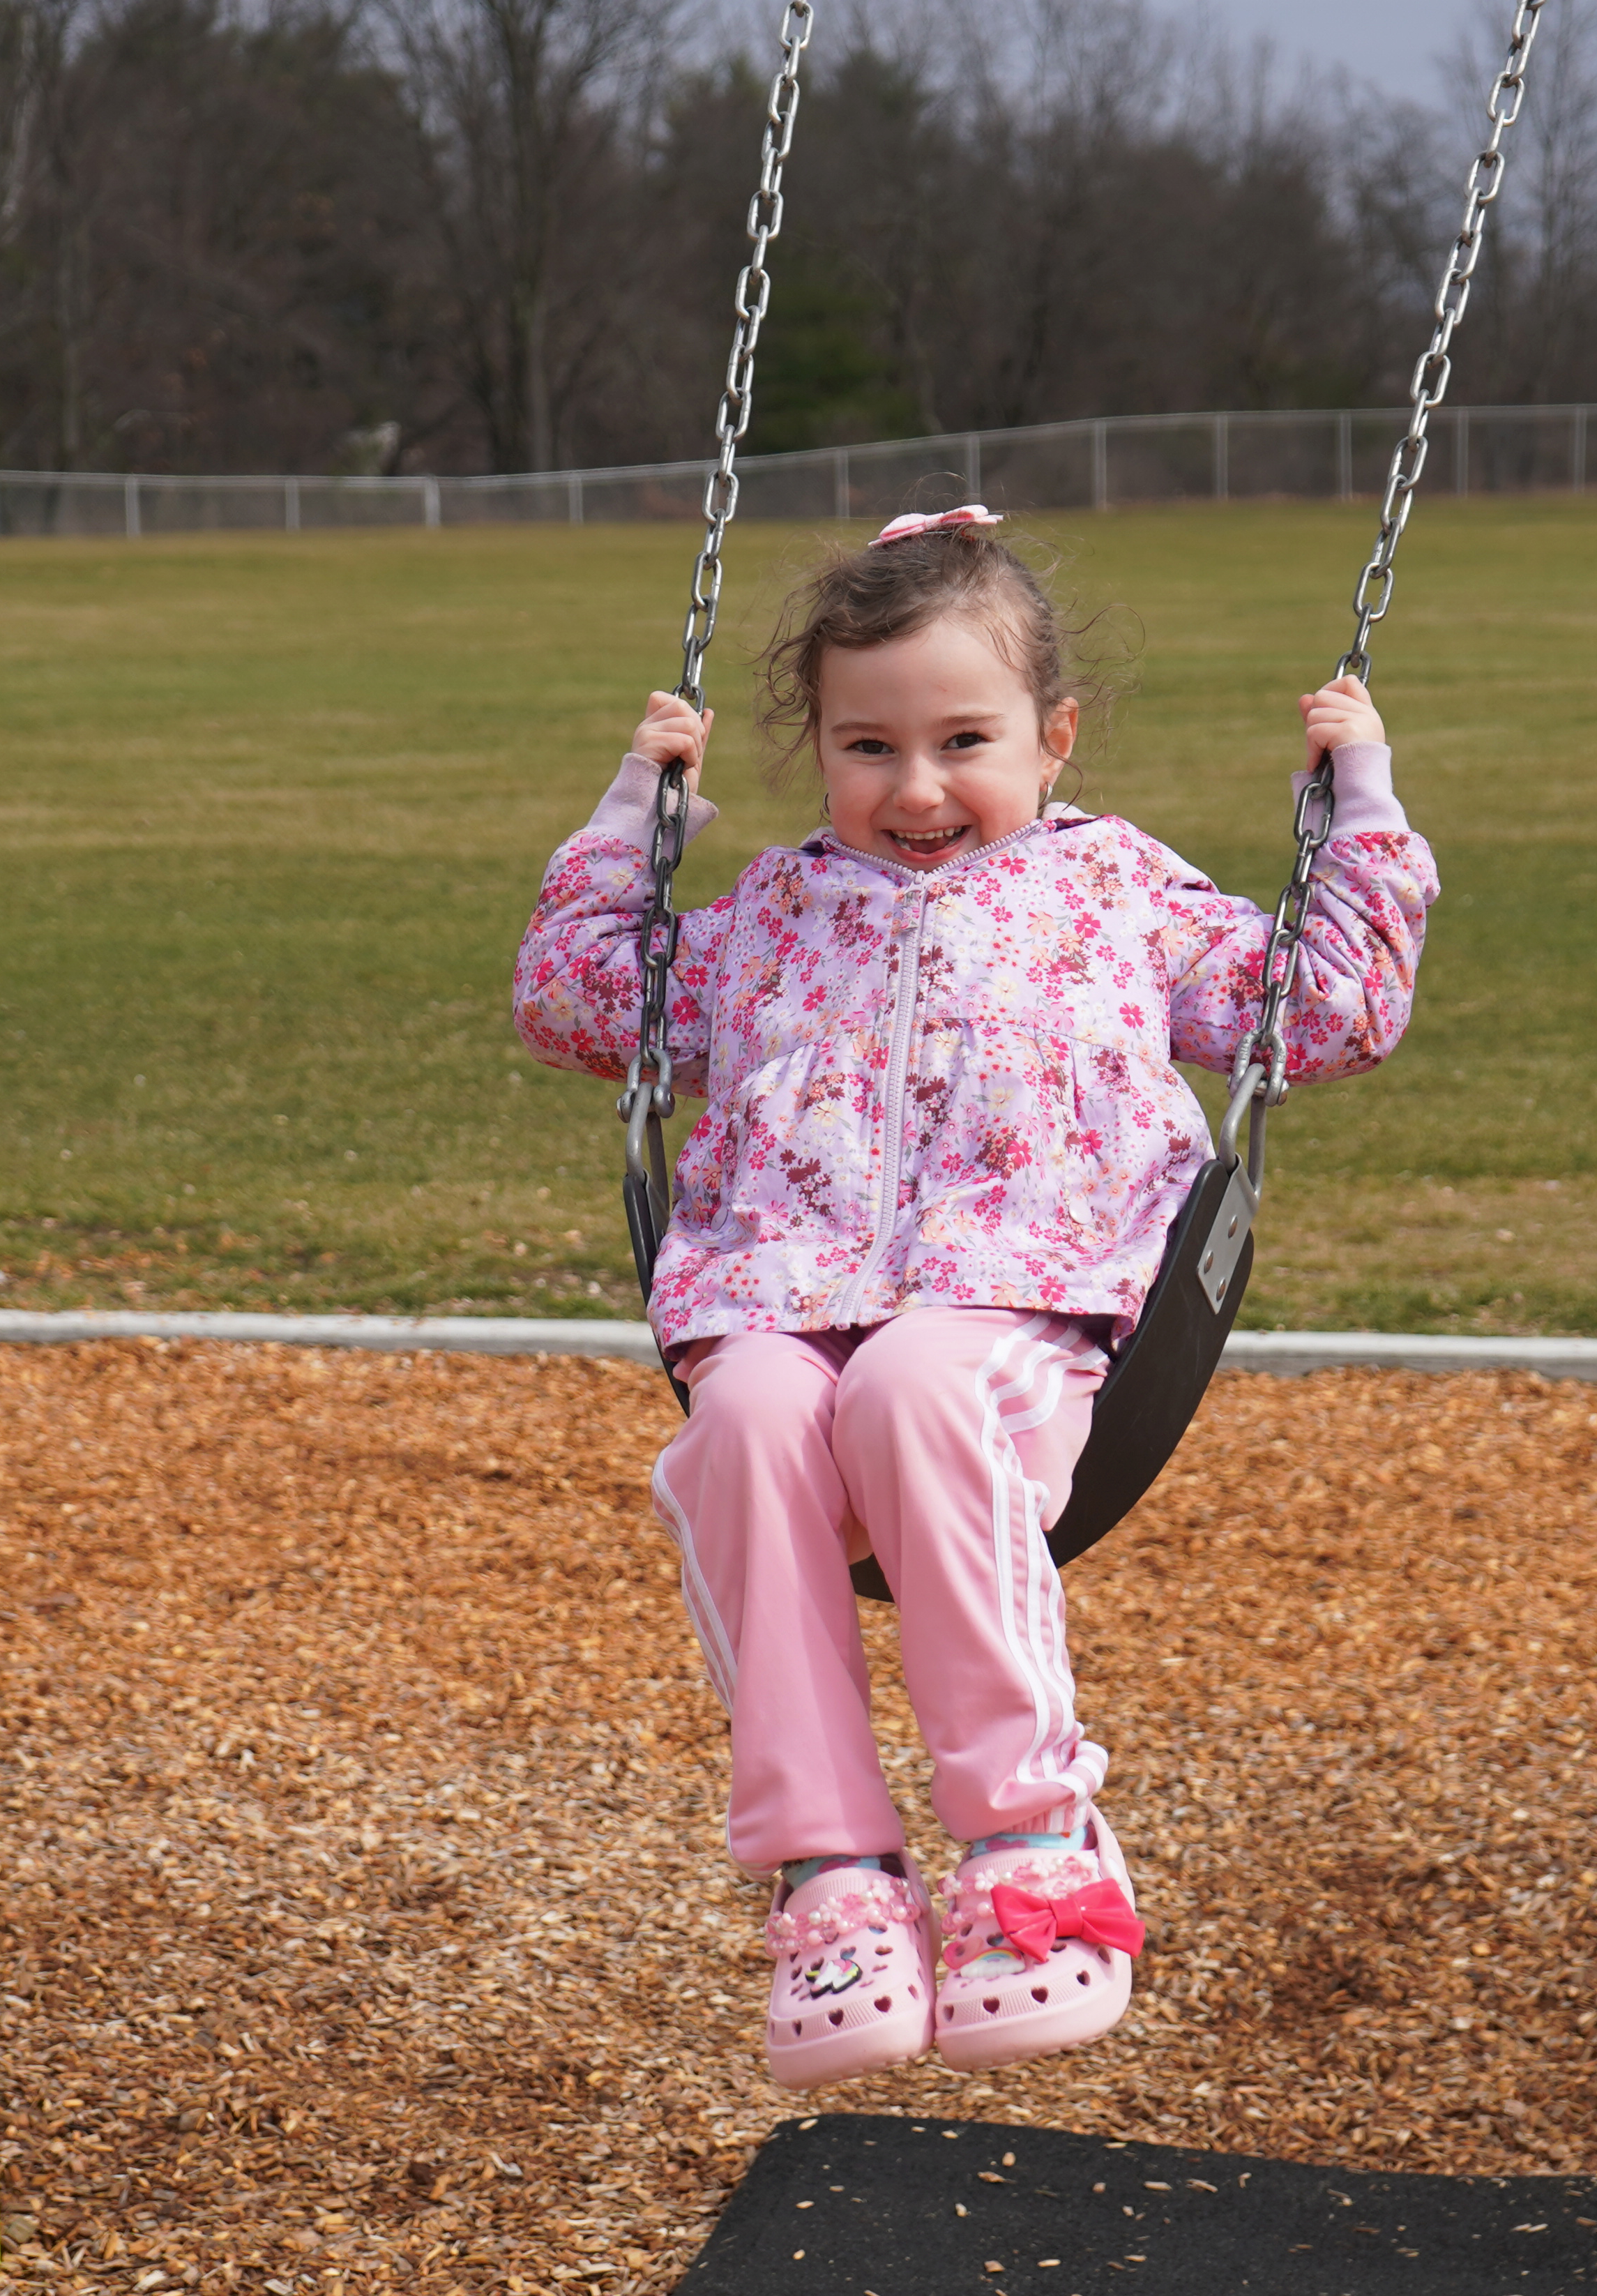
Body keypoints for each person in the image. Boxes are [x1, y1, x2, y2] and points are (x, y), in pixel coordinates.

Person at [513, 504, 1438, 2087]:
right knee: (739, 1410)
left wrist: (1360, 799)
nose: (917, 787)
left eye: (965, 739)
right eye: (868, 744)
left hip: (1016, 1330)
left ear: (1055, 737)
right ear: (817, 747)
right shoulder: (768, 921)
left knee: (913, 1381)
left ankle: (1029, 1838)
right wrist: (627, 819)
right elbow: (574, 994)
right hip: (785, 1306)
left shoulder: (1118, 898)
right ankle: (834, 1875)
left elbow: (1333, 1006)